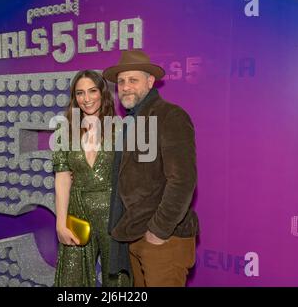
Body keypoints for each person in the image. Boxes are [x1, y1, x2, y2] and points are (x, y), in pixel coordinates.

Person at [103, 50, 199, 287]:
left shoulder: (170, 116)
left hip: (164, 240)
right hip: (133, 235)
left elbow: (183, 180)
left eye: (133, 80)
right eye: (121, 82)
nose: (125, 87)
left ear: (149, 81)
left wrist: (159, 230)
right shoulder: (129, 122)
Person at [53, 70, 131, 287]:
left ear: (102, 93)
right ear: (74, 97)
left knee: (116, 281)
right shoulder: (64, 131)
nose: (86, 99)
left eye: (92, 91)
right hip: (77, 215)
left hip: (114, 216)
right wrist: (60, 223)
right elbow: (62, 178)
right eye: (80, 93)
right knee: (71, 282)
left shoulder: (120, 129)